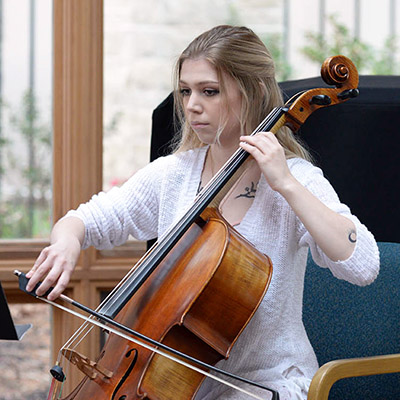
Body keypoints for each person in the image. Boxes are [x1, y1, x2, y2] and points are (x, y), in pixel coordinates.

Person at [26, 25, 379, 399]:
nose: (192, 105)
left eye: (209, 92)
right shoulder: (173, 174)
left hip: (268, 386)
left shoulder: (295, 181)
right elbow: (87, 218)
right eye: (186, 91)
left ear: (252, 92)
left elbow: (363, 265)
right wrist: (67, 242)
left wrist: (287, 184)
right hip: (169, 386)